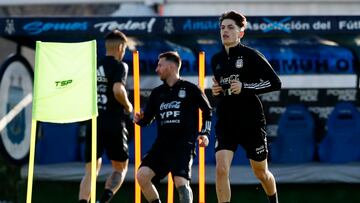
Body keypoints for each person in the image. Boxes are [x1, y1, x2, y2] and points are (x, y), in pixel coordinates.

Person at [211, 11, 282, 203]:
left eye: (230, 27)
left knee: (261, 172)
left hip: (250, 120)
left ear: (241, 32)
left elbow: (275, 83)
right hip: (226, 120)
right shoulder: (216, 59)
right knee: (221, 169)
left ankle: (273, 200)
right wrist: (217, 90)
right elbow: (221, 90)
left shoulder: (251, 55)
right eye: (222, 27)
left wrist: (245, 87)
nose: (225, 31)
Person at [134, 51, 212, 203]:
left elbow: (208, 111)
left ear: (171, 66)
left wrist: (205, 133)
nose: (157, 69)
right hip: (161, 146)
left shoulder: (190, 89)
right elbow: (147, 119)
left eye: (160, 65)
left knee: (181, 183)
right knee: (142, 176)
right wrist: (139, 119)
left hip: (183, 146)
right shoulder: (157, 93)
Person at [79, 30, 133, 203]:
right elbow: (118, 89)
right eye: (124, 49)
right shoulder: (120, 66)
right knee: (120, 167)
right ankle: (104, 200)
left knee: (91, 169)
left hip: (93, 120)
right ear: (120, 47)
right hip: (113, 122)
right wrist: (128, 105)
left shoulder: (93, 64)